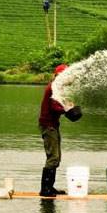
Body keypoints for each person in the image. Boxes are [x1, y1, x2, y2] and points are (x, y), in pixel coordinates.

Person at [38, 64, 73, 197]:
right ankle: (45, 189)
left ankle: (50, 187)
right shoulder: (54, 87)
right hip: (48, 125)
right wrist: (66, 109)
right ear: (58, 75)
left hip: (53, 125)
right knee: (53, 157)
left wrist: (67, 105)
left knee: (56, 157)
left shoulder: (57, 87)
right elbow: (54, 106)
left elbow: (58, 103)